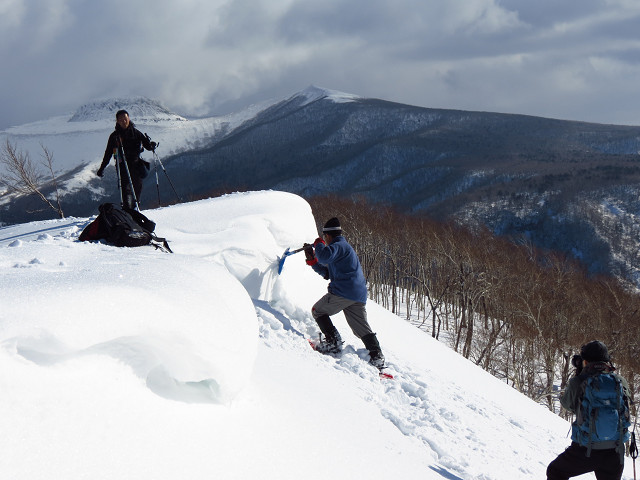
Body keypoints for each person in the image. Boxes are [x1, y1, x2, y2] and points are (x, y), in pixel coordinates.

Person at [304, 217, 385, 369]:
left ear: (328, 235)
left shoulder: (339, 245)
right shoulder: (343, 248)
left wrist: (318, 245)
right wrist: (313, 262)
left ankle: (333, 343)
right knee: (360, 327)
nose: (324, 240)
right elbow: (329, 273)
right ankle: (377, 356)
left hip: (344, 292)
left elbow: (324, 256)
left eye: (324, 237)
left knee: (318, 311)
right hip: (357, 294)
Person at [547, 340, 632, 480]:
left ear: (585, 361)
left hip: (585, 450)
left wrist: (579, 377)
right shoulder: (620, 381)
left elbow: (567, 405)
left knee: (556, 471)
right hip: (615, 451)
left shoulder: (579, 381)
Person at [97, 109, 156, 210]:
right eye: (120, 119)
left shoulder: (136, 133)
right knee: (125, 189)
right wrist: (102, 168)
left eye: (125, 118)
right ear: (117, 121)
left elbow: (147, 146)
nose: (123, 121)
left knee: (137, 188)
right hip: (122, 166)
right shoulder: (114, 136)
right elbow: (108, 153)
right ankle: (127, 210)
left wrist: (152, 146)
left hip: (135, 164)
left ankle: (135, 208)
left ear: (129, 118)